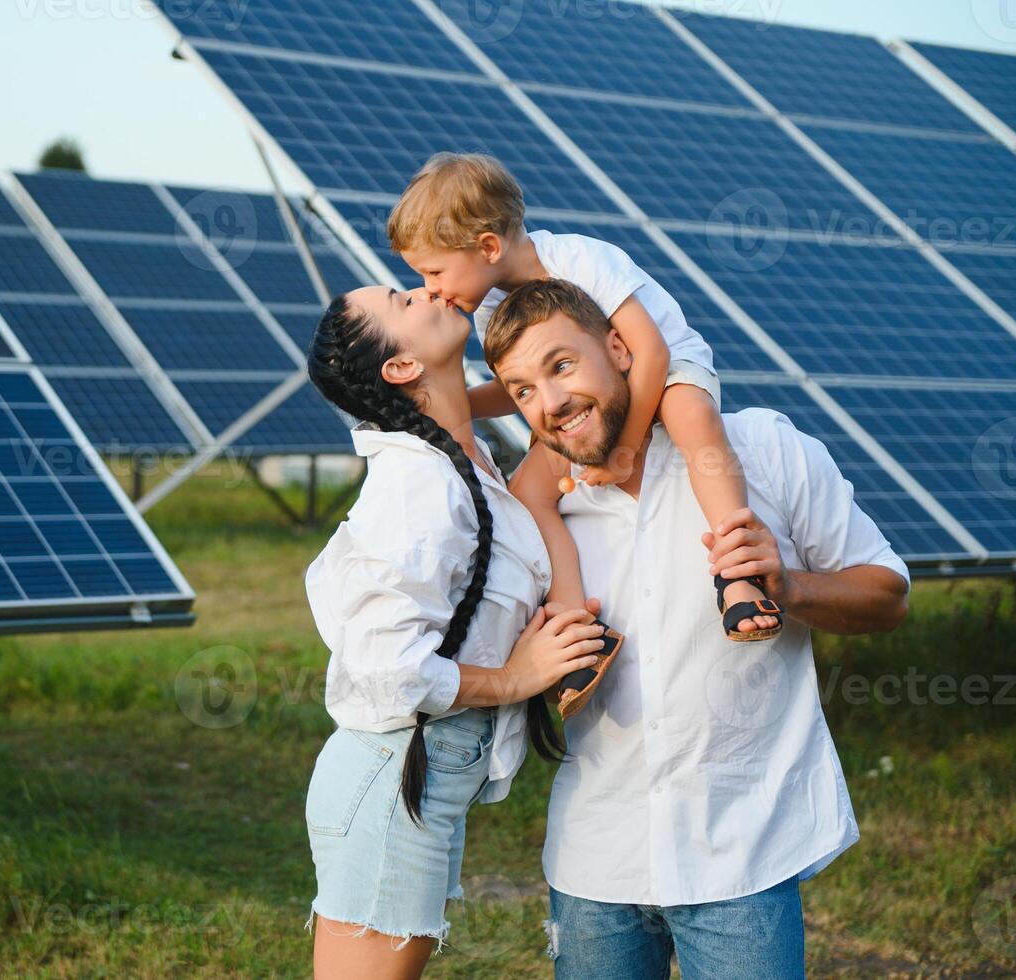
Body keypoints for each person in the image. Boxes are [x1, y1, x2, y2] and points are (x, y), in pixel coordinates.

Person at [482, 279, 910, 979]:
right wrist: (527, 662)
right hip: (594, 863)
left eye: (561, 366)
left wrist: (788, 584)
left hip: (741, 854)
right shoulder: (535, 516)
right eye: (522, 390)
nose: (549, 403)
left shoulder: (762, 450)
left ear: (619, 349)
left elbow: (886, 597)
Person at [388, 153, 781, 718]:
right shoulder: (489, 307)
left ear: (488, 248)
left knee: (696, 425)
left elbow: (650, 350)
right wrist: (462, 407)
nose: (430, 290)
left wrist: (623, 448)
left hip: (663, 374)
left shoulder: (579, 257)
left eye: (434, 273)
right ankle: (577, 626)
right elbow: (521, 385)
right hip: (582, 404)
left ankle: (738, 575)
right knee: (530, 492)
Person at [301, 283, 615, 979]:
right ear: (401, 367)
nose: (427, 287)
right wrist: (512, 678)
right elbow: (386, 663)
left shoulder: (456, 461)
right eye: (401, 299)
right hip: (392, 775)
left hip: (414, 772)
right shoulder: (420, 483)